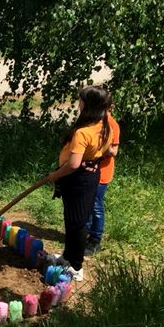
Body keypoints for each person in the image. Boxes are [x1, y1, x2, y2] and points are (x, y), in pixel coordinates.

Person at [46, 85, 113, 281]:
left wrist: (56, 175)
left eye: (81, 101)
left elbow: (73, 164)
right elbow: (106, 150)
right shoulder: (104, 126)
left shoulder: (83, 132)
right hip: (90, 175)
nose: (78, 104)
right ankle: (67, 256)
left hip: (77, 178)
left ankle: (76, 266)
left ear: (88, 105)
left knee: (77, 223)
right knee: (73, 220)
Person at [85, 98, 120, 255]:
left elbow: (114, 151)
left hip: (102, 172)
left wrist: (98, 148)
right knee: (87, 203)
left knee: (95, 205)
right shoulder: (92, 121)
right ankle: (85, 234)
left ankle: (95, 240)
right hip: (89, 171)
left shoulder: (111, 124)